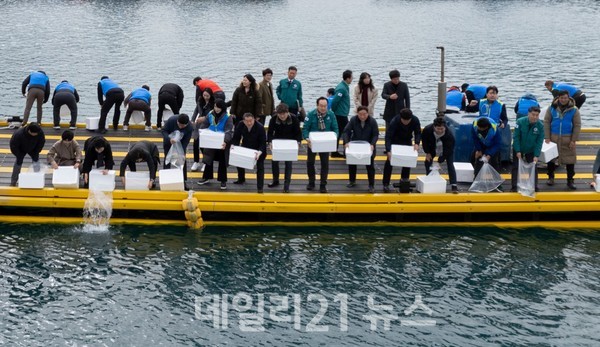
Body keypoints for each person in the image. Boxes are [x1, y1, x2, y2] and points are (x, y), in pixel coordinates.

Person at [544, 90, 581, 190]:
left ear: (568, 98)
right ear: (558, 98)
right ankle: (550, 177)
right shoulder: (551, 108)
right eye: (561, 98)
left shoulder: (574, 110)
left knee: (570, 160)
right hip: (553, 137)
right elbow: (546, 122)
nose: (563, 100)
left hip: (567, 138)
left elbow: (577, 125)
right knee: (551, 159)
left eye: (565, 98)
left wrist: (574, 140)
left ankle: (570, 180)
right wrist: (547, 137)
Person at [302, 97, 339, 193]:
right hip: (313, 142)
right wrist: (307, 138)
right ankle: (311, 181)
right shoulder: (310, 114)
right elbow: (305, 128)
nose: (323, 108)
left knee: (325, 163)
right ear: (317, 105)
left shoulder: (331, 114)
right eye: (321, 106)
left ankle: (323, 184)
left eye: (325, 106)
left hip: (325, 142)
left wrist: (333, 137)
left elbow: (335, 129)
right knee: (310, 162)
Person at [197, 99, 234, 190]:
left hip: (222, 142)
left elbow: (229, 131)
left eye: (218, 107)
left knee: (222, 161)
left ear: (222, 108)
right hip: (210, 140)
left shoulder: (228, 117)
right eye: (215, 106)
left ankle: (223, 180)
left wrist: (225, 141)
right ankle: (206, 177)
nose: (216, 109)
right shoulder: (210, 114)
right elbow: (204, 125)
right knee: (208, 158)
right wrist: (202, 134)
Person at [382, 108, 421, 193]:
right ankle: (386, 183)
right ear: (400, 117)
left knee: (407, 161)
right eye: (404, 120)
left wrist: (417, 143)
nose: (406, 122)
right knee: (389, 163)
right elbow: (388, 136)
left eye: (408, 120)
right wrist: (388, 150)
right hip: (395, 141)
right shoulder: (395, 121)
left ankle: (404, 181)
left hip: (407, 140)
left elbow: (417, 132)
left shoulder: (415, 120)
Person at [342, 105, 379, 193]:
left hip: (368, 145)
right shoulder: (353, 120)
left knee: (370, 166)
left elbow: (375, 134)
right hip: (356, 144)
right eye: (360, 114)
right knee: (352, 164)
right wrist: (346, 142)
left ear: (368, 113)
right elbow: (346, 131)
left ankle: (371, 184)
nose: (362, 116)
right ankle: (352, 180)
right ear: (357, 113)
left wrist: (373, 144)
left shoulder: (373, 121)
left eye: (364, 114)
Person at [267, 103, 302, 193]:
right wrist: (270, 142)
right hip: (278, 141)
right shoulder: (273, 119)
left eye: (284, 114)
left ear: (288, 112)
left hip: (290, 142)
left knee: (288, 164)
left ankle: (287, 185)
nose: (282, 116)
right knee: (274, 162)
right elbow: (270, 132)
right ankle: (275, 180)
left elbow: (298, 132)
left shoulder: (294, 118)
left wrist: (298, 142)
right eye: (280, 114)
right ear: (277, 113)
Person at [511, 106, 544, 192]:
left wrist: (536, 155)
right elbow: (516, 137)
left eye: (537, 115)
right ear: (528, 114)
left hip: (531, 149)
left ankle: (534, 185)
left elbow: (539, 142)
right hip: (519, 147)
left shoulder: (540, 126)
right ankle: (514, 186)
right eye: (533, 115)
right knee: (515, 167)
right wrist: (517, 150)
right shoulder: (519, 122)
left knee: (533, 167)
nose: (535, 117)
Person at [232, 113, 267, 193]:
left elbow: (263, 143)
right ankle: (241, 179)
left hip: (258, 148)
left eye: (251, 121)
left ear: (254, 119)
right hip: (246, 146)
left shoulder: (260, 127)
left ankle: (260, 187)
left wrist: (259, 152)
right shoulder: (240, 124)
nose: (249, 123)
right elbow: (236, 137)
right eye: (247, 121)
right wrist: (234, 146)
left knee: (260, 167)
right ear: (243, 121)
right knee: (239, 160)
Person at [422, 117, 458, 193]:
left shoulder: (449, 135)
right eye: (438, 129)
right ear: (434, 127)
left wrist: (441, 159)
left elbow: (449, 148)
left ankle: (454, 184)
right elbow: (424, 142)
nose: (440, 131)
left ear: (445, 127)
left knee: (450, 164)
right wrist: (427, 152)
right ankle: (429, 179)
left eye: (442, 129)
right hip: (433, 146)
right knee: (427, 162)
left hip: (445, 148)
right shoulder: (427, 130)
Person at [9, 122, 45, 187]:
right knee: (18, 163)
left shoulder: (39, 132)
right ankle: (13, 182)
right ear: (30, 131)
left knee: (36, 161)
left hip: (33, 148)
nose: (37, 134)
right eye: (35, 133)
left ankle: (38, 179)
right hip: (20, 149)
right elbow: (13, 146)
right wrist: (18, 154)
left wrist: (37, 151)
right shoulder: (18, 134)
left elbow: (41, 142)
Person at [162, 114, 193, 184]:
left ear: (187, 124)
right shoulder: (171, 120)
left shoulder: (190, 127)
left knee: (182, 160)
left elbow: (186, 140)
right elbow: (164, 130)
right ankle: (166, 179)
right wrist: (169, 138)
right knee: (167, 159)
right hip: (169, 142)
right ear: (177, 121)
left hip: (181, 143)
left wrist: (182, 151)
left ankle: (183, 180)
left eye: (183, 126)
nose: (180, 127)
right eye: (179, 125)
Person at [330, 70, 353, 158]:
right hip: (340, 114)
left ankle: (335, 151)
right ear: (348, 78)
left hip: (342, 113)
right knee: (346, 132)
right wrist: (335, 111)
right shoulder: (342, 88)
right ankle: (344, 151)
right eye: (351, 77)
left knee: (340, 132)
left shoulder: (345, 86)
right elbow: (335, 101)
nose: (352, 79)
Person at [191, 88, 215, 171]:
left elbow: (214, 115)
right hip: (199, 125)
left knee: (205, 145)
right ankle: (196, 161)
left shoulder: (213, 103)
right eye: (204, 95)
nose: (205, 97)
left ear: (211, 95)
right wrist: (192, 120)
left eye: (207, 96)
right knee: (195, 143)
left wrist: (204, 118)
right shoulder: (200, 100)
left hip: (208, 125)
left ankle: (205, 162)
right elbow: (196, 110)